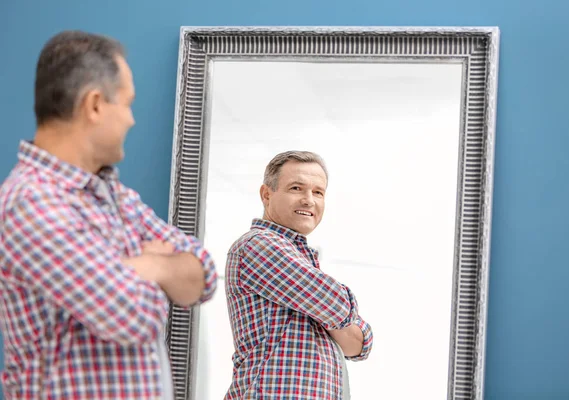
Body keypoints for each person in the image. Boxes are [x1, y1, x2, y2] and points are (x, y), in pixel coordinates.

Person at [0, 30, 218, 399]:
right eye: (127, 103)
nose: (132, 120)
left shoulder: (115, 195)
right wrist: (151, 266)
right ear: (96, 105)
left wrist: (150, 267)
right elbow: (134, 316)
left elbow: (205, 275)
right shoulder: (30, 203)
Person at [224, 151, 373, 399]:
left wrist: (330, 312)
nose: (308, 200)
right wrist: (338, 317)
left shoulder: (300, 258)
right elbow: (339, 305)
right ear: (266, 194)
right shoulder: (258, 245)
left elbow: (360, 346)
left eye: (318, 192)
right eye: (296, 188)